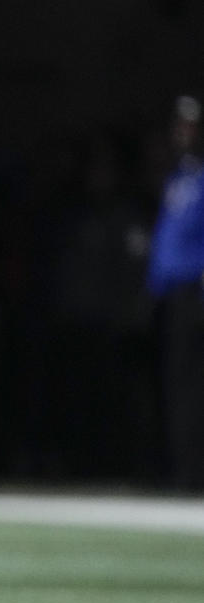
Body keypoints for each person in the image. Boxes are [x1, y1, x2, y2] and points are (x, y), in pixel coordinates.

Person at [147, 94, 204, 490]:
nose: (182, 134)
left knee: (189, 385)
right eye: (178, 126)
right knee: (171, 383)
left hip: (193, 294)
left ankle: (191, 472)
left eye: (190, 126)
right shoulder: (177, 176)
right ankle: (176, 467)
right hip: (168, 295)